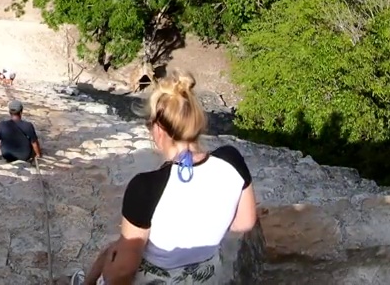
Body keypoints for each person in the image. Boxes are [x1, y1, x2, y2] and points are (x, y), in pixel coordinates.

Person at [72, 73, 258, 285]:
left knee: (114, 252)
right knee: (117, 249)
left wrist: (108, 274)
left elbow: (123, 271)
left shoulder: (146, 187)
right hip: (205, 275)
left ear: (159, 130)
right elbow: (245, 222)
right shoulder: (231, 160)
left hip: (156, 278)